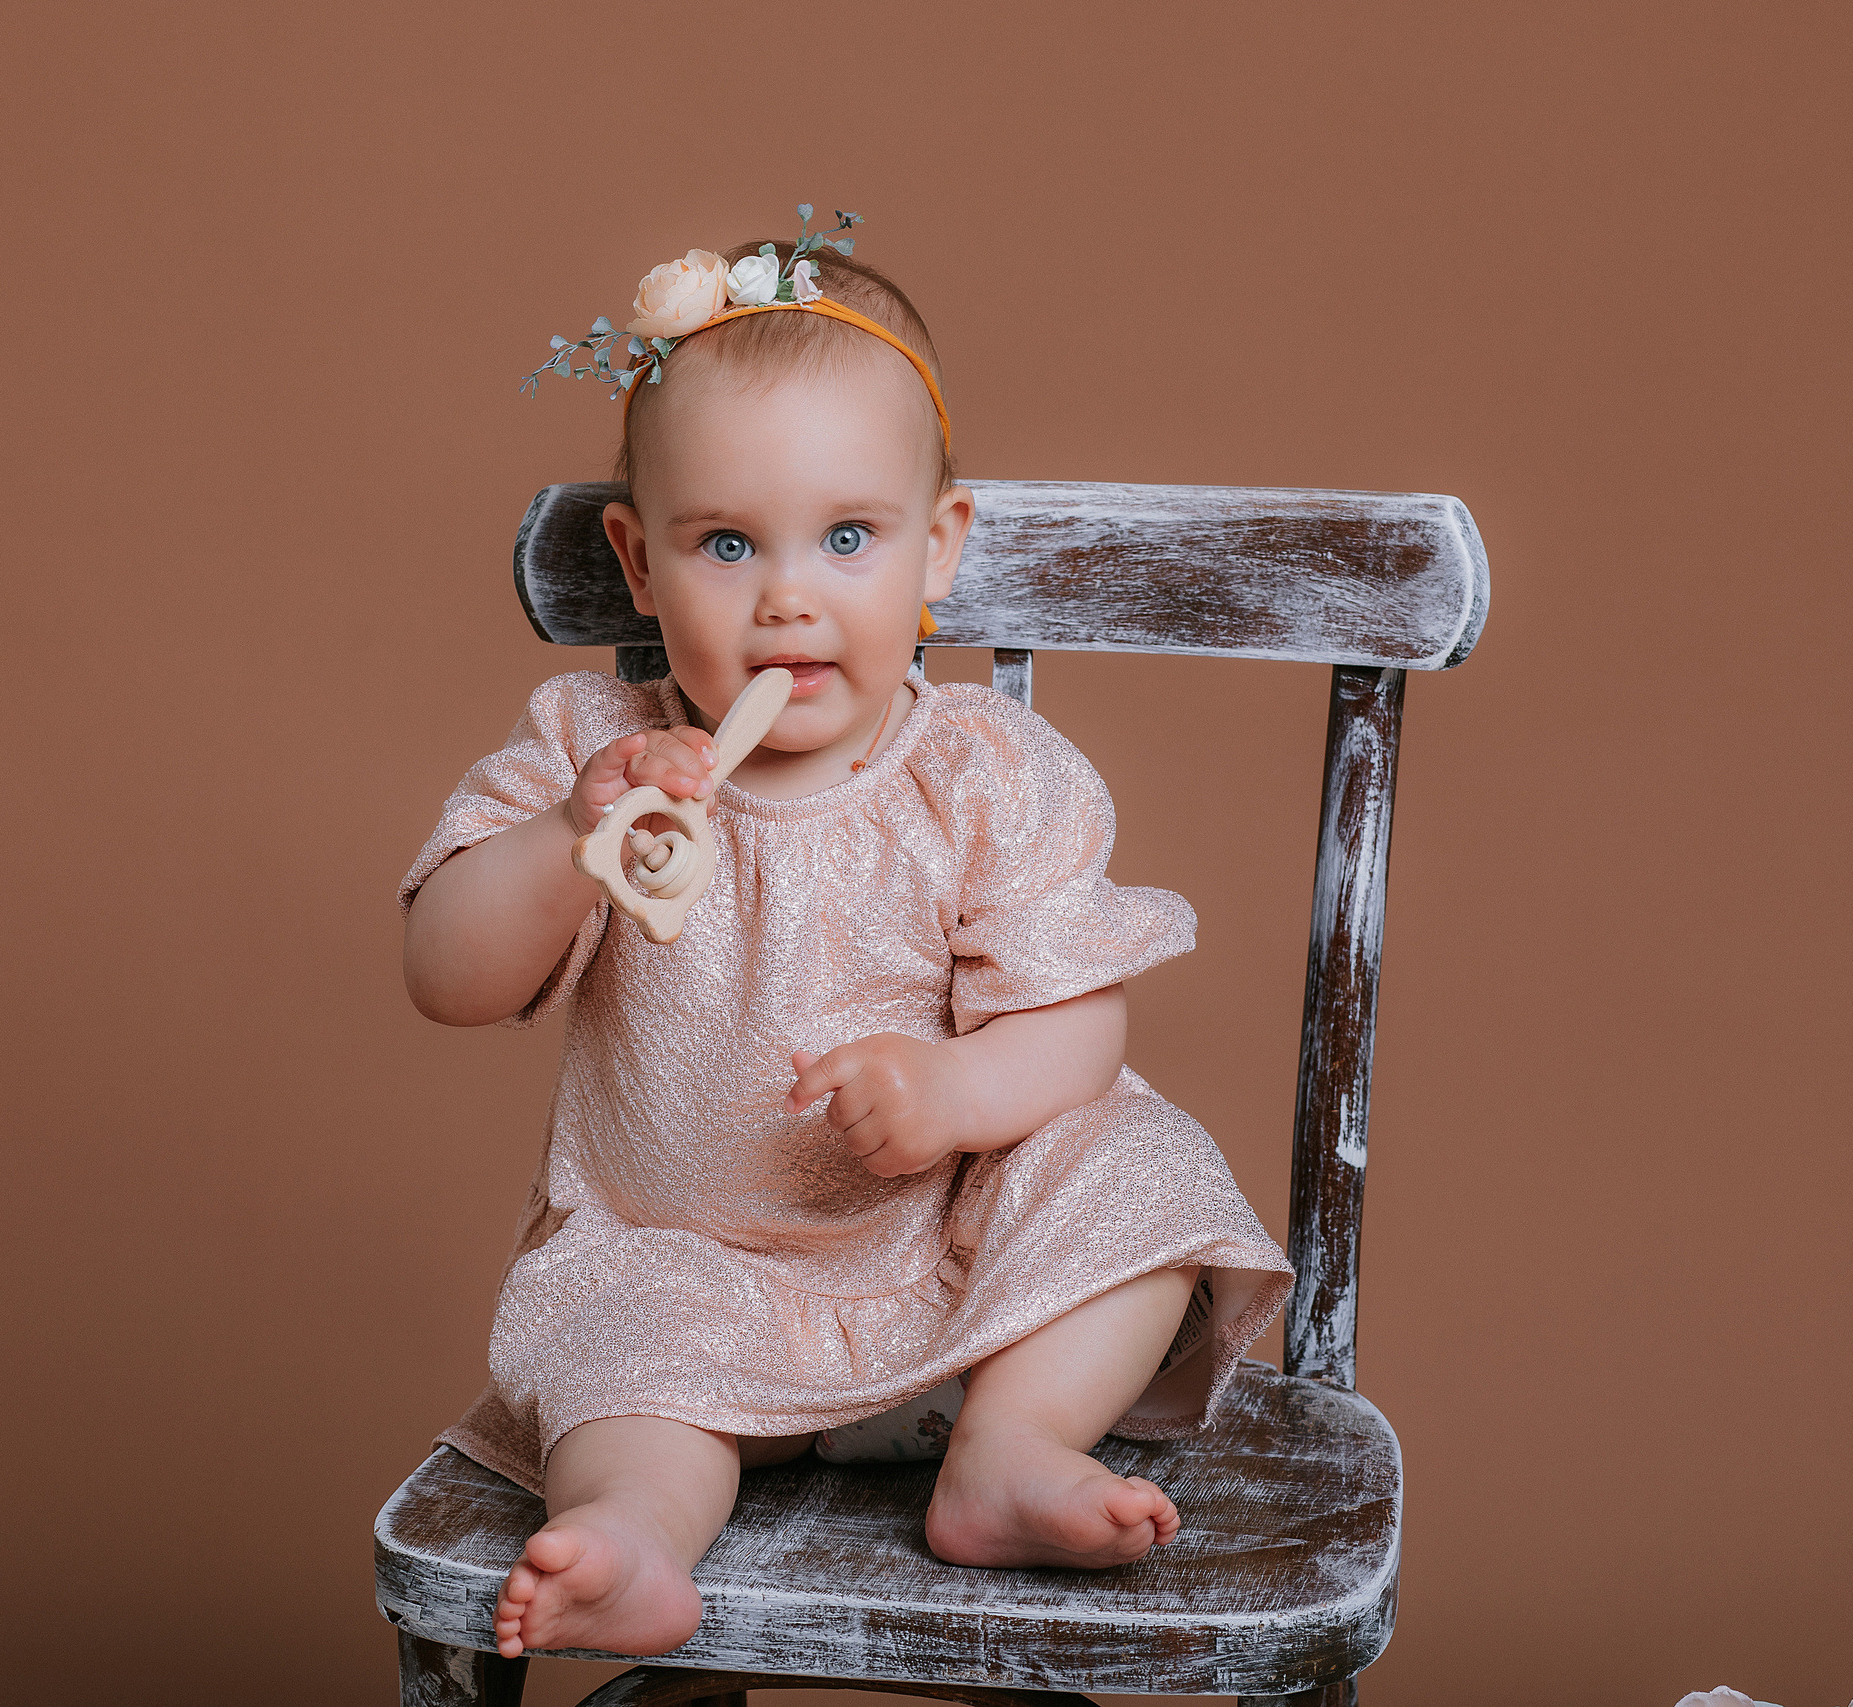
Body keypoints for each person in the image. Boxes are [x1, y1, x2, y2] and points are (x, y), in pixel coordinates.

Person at [400, 215, 1291, 1661]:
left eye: (849, 537)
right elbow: (445, 975)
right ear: (638, 560)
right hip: (687, 1274)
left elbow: (1080, 1024)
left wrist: (957, 1090)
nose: (788, 595)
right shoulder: (593, 751)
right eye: (726, 543)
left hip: (953, 1279)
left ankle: (1011, 1450)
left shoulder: (983, 774)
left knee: (1142, 1164)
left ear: (938, 548)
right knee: (620, 1356)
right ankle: (633, 1533)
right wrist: (571, 840)